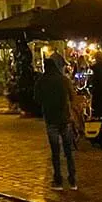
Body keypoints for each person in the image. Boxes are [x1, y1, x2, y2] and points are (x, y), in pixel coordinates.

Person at [36, 55, 77, 190]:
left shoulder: (41, 81)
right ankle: (72, 180)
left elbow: (37, 98)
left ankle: (58, 180)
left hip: (51, 118)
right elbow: (72, 97)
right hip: (64, 118)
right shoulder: (64, 80)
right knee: (68, 151)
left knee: (55, 152)